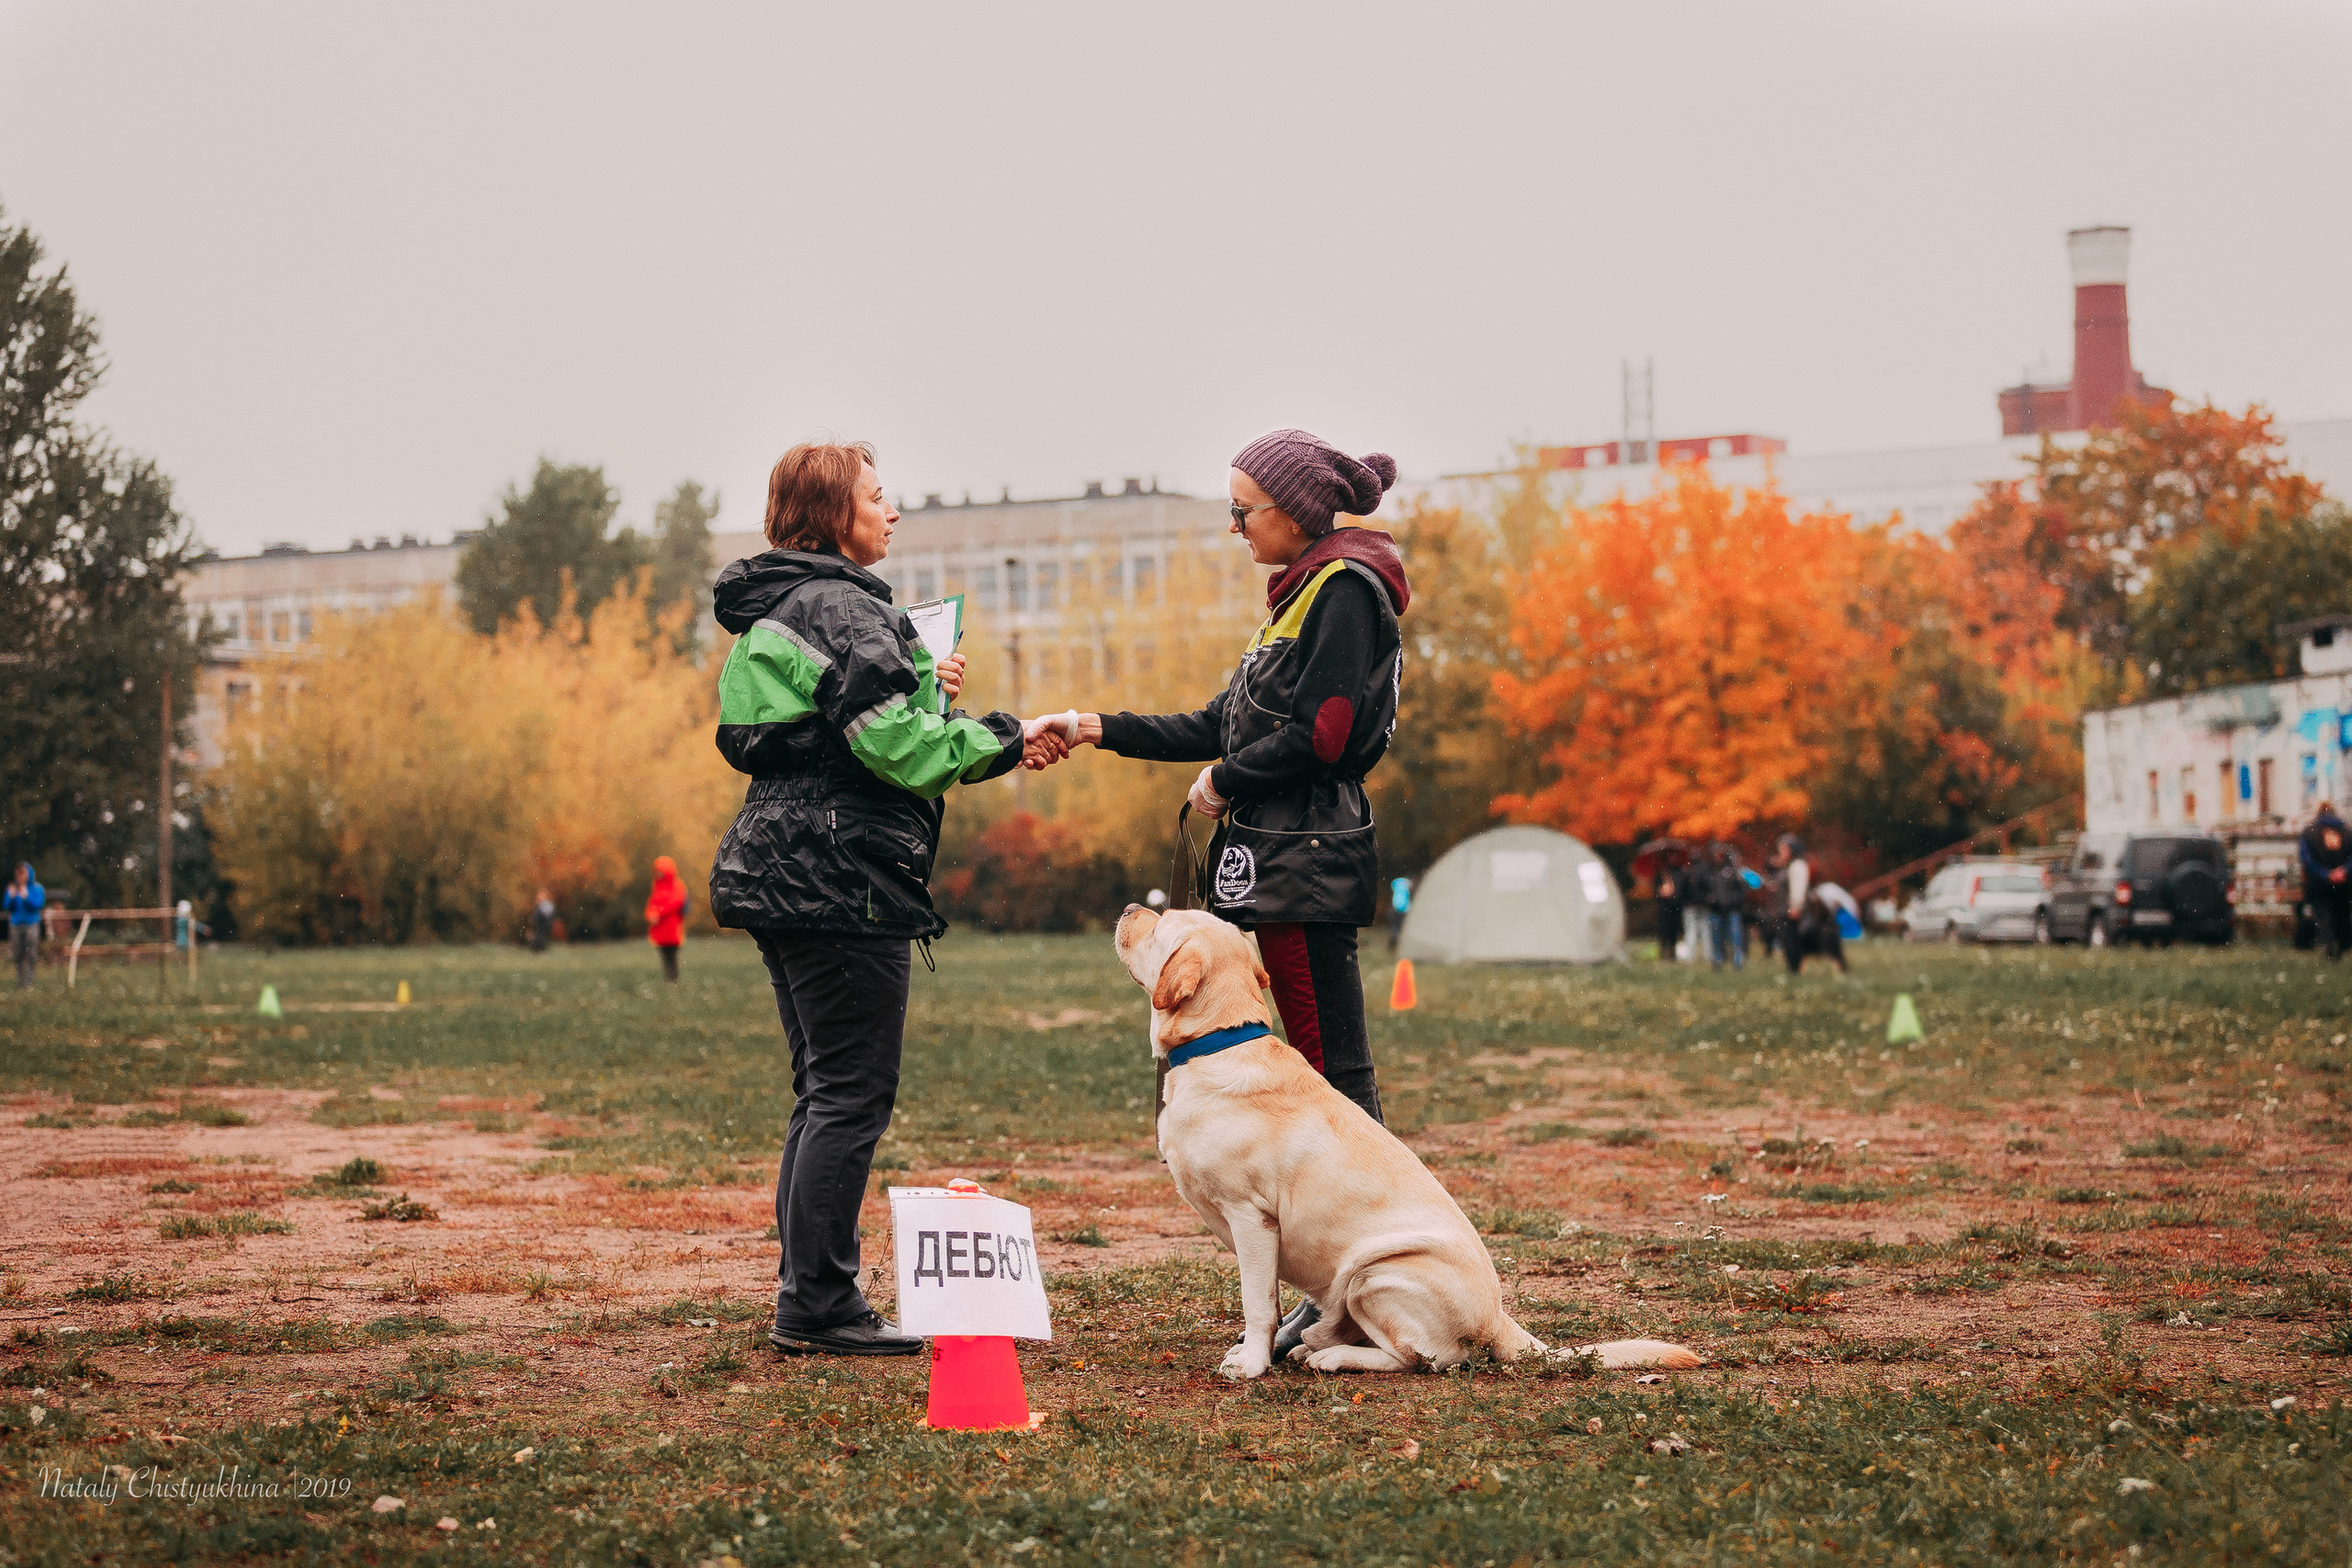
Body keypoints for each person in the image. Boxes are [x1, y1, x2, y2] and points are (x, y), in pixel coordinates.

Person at [707, 440, 1068, 1359]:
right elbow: (896, 753)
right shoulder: (845, 607)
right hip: (840, 880)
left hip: (778, 869)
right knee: (850, 1096)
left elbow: (788, 732)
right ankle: (820, 1305)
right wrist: (1001, 735)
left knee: (822, 1093)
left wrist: (918, 686)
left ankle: (809, 1292)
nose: (891, 510)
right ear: (834, 513)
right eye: (877, 496)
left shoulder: (781, 612)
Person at [1056, 428, 1407, 1361]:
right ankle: (1332, 1273)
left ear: (1292, 512)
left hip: (1305, 855)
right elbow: (1223, 721)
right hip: (1272, 853)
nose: (1233, 527)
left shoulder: (1343, 592)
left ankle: (1355, 1269)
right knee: (1304, 1067)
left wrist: (1224, 783)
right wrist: (1099, 726)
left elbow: (1324, 734)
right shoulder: (1292, 600)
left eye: (1241, 511)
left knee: (1330, 1070)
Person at [1774, 834, 1849, 975]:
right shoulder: (1789, 865)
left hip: (1793, 912)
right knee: (1789, 941)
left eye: (1783, 849)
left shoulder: (1797, 865)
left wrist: (1795, 907)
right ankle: (1794, 969)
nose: (1781, 852)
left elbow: (1798, 888)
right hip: (1786, 911)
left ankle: (1795, 970)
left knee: (1794, 941)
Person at [2300, 802, 2350, 961]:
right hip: (2345, 883)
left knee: (2323, 916)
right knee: (2342, 914)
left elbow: (2306, 859)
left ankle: (2328, 946)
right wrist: (2344, 871)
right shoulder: (2347, 831)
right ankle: (2343, 946)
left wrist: (2325, 874)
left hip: (2319, 884)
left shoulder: (2310, 832)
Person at [1704, 842, 1746, 972]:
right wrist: (1709, 898)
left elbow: (1742, 889)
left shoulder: (1732, 871)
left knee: (1735, 937)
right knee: (1716, 938)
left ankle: (1737, 961)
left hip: (1732, 910)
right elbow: (1700, 889)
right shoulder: (1709, 872)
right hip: (1715, 910)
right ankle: (1718, 960)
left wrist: (1734, 900)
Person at [645, 859, 687, 981]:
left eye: (660, 871)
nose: (657, 874)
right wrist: (650, 914)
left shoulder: (677, 885)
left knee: (671, 955)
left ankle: (673, 979)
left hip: (671, 927)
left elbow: (676, 902)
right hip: (660, 928)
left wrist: (658, 913)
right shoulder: (657, 885)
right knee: (665, 955)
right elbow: (652, 902)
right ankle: (669, 979)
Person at [6, 863, 43, 988]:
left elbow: (38, 905)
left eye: (23, 873)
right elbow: (7, 907)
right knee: (17, 954)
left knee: (31, 953)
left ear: (28, 874)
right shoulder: (12, 889)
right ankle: (21, 981)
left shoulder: (37, 889)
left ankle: (29, 982)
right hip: (16, 925)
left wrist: (26, 896)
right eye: (18, 874)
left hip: (31, 924)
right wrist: (10, 897)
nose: (20, 876)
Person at [1655, 854, 1685, 963]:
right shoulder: (1661, 874)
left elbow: (1683, 889)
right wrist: (1662, 891)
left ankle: (1673, 952)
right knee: (1664, 930)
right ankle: (1664, 952)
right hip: (1665, 907)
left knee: (1674, 931)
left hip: (1676, 907)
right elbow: (1656, 890)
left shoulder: (1679, 873)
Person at [1387, 874, 1412, 953]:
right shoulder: (1406, 885)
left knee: (1395, 928)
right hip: (1403, 910)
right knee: (1399, 929)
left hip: (1397, 909)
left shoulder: (1396, 884)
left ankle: (1393, 945)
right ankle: (1395, 945)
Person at [530, 888, 556, 953]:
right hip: (539, 923)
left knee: (542, 936)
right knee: (539, 936)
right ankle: (538, 949)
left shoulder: (546, 904)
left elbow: (547, 914)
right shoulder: (539, 904)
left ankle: (541, 949)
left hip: (544, 923)